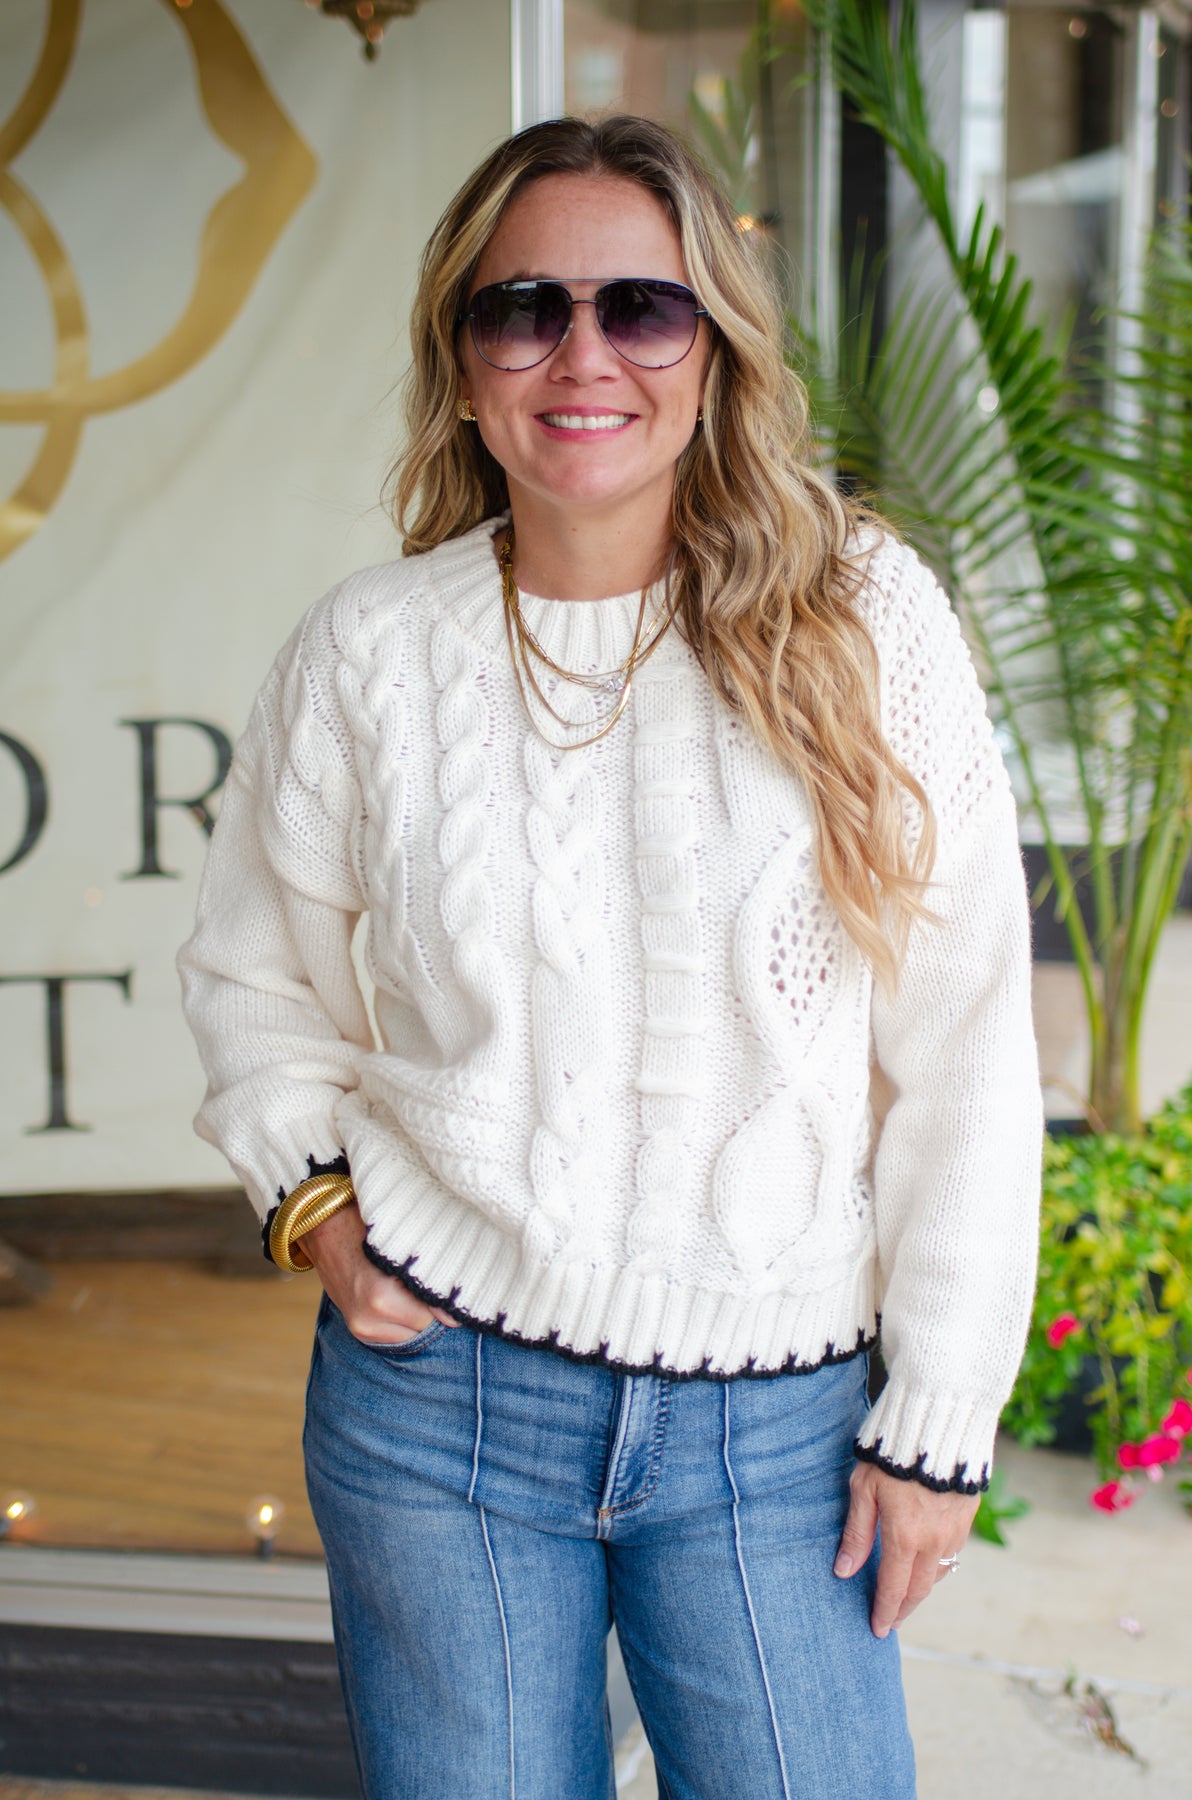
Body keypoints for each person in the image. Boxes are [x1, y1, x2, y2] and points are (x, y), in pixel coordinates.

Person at [179, 114, 1042, 1800]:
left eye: (643, 308)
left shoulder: (865, 620)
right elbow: (249, 973)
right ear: (464, 359)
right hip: (440, 1411)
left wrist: (940, 1418)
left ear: (716, 351)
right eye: (526, 310)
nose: (584, 356)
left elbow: (967, 1046)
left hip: (779, 1431)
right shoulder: (371, 653)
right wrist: (315, 1205)